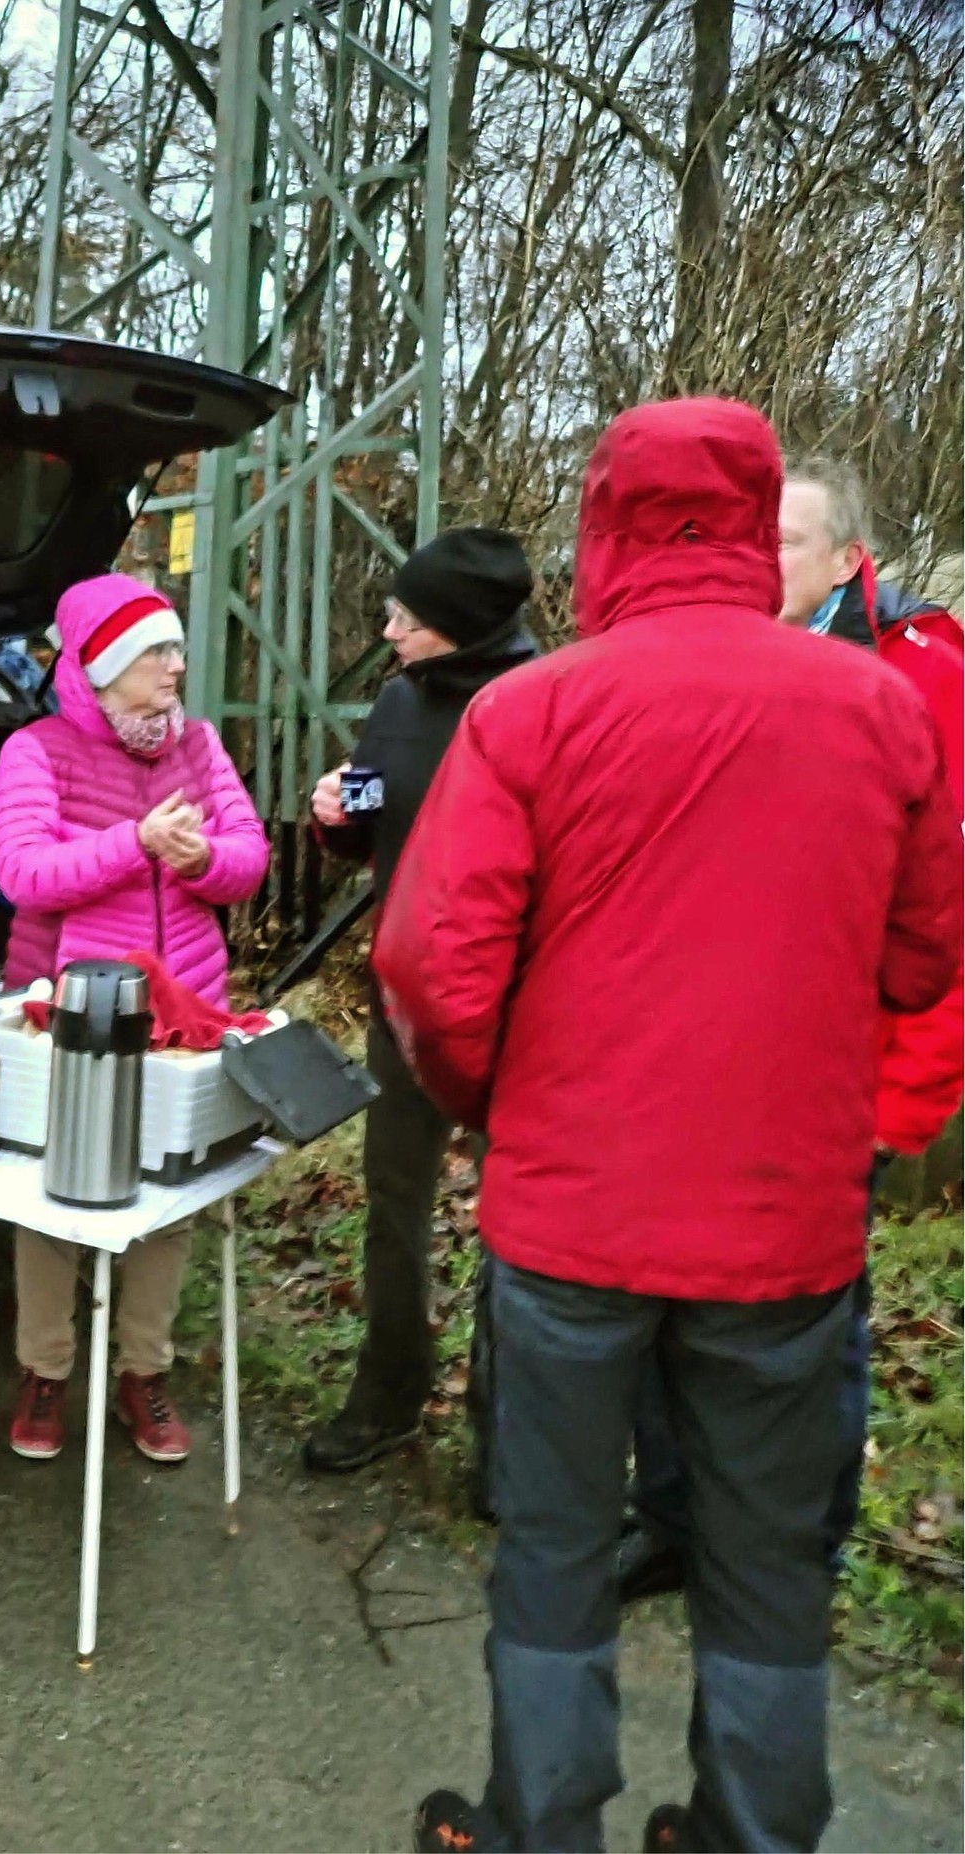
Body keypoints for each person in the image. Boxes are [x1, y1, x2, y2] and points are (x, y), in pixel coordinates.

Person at [371, 399, 962, 1854]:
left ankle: (541, 1823)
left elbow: (431, 970)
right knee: (768, 1561)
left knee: (560, 1548)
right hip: (786, 1227)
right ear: (763, 519)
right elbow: (927, 954)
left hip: (573, 1222)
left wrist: (493, 1103)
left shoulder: (532, 708)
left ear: (603, 525)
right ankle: (755, 1832)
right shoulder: (883, 706)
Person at [620, 454, 965, 1607]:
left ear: (843, 559)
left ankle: (796, 1557)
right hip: (690, 1069)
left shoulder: (922, 679)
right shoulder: (697, 661)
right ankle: (670, 1519)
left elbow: (946, 920)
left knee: (813, 1338)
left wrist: (897, 1106)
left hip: (830, 1087)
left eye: (780, 542)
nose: (751, 560)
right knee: (663, 1307)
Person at [0, 573, 268, 1464]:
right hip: (72, 1007)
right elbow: (22, 873)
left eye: (176, 649)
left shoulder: (201, 745)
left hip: (186, 1006)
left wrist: (201, 858)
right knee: (52, 1192)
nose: (177, 667)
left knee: (171, 1188)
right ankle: (46, 1370)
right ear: (104, 668)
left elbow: (249, 859)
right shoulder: (38, 750)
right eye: (157, 652)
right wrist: (134, 841)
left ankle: (143, 1373)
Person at [301, 528, 536, 1473]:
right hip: (406, 1002)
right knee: (393, 1198)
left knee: (514, 1223)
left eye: (407, 615)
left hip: (520, 1012)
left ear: (461, 625)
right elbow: (370, 822)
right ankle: (390, 1392)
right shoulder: (400, 699)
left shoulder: (538, 705)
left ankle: (504, 1435)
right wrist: (337, 817)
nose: (389, 628)